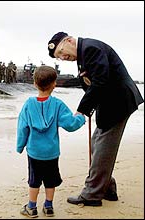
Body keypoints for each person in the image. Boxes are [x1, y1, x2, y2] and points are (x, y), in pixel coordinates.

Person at [47, 32, 144, 206]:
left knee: (102, 148)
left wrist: (81, 110)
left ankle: (92, 194)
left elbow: (100, 81)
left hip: (118, 102)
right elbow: (92, 82)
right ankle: (107, 187)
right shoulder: (84, 53)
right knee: (97, 144)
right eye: (59, 57)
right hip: (110, 102)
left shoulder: (90, 49)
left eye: (61, 52)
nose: (63, 57)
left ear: (69, 40)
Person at [17, 65, 86, 218]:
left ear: (35, 83)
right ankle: (48, 206)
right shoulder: (57, 104)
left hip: (34, 152)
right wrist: (81, 118)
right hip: (51, 152)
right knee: (50, 180)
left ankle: (31, 207)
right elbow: (70, 124)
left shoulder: (28, 104)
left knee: (34, 180)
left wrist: (20, 145)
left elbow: (23, 127)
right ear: (54, 84)